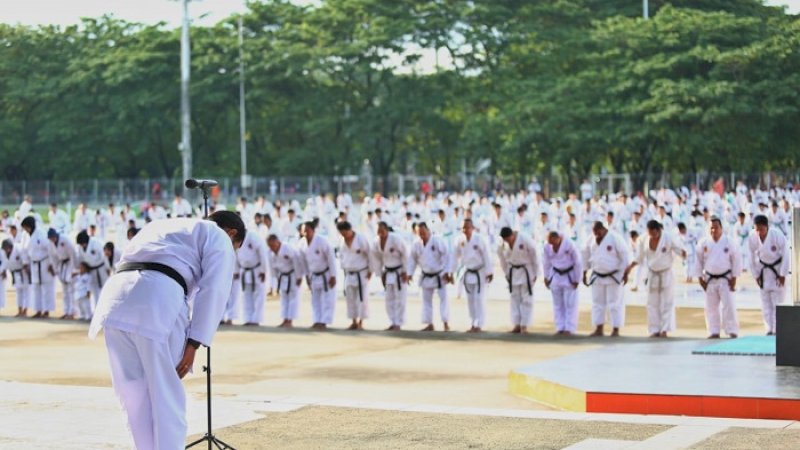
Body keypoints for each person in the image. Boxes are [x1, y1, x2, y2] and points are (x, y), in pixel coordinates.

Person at [88, 210, 244, 450]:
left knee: (133, 396)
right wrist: (194, 343)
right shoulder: (218, 236)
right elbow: (214, 289)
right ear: (231, 232)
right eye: (235, 247)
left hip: (116, 300)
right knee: (166, 396)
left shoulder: (162, 225)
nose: (231, 252)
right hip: (156, 299)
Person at [628, 220, 685, 338]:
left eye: (654, 234)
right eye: (650, 234)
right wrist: (629, 267)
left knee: (666, 303)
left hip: (666, 273)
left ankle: (664, 329)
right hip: (652, 273)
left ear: (658, 230)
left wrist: (683, 253)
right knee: (651, 303)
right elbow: (639, 257)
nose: (652, 236)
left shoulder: (669, 238)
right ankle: (654, 329)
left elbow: (680, 250)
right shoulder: (643, 239)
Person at [582, 221, 632, 337]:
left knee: (614, 303)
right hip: (597, 274)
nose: (596, 235)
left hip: (613, 275)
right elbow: (585, 255)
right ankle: (599, 328)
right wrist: (584, 272)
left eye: (598, 232)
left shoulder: (615, 238)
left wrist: (625, 273)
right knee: (597, 303)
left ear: (603, 229)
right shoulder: (590, 239)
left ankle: (615, 329)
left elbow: (624, 255)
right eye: (594, 232)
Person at [695, 217, 742, 339]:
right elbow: (698, 262)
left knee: (729, 306)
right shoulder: (703, 243)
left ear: (721, 228)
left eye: (716, 227)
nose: (713, 230)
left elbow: (736, 260)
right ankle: (713, 331)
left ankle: (732, 330)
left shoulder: (729, 242)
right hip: (709, 279)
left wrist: (734, 277)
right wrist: (700, 278)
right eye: (711, 228)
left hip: (726, 278)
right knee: (711, 308)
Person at [748, 215, 789, 335]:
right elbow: (751, 256)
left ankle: (778, 329)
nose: (759, 232)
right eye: (757, 229)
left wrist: (783, 274)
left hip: (777, 270)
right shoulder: (752, 237)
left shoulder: (777, 235)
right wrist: (755, 275)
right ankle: (768, 328)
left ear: (767, 227)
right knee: (765, 302)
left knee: (778, 302)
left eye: (761, 229)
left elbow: (786, 254)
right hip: (763, 272)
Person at [408, 222, 452, 331]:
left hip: (440, 274)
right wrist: (410, 273)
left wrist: (448, 271)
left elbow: (447, 255)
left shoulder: (437, 241)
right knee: (426, 301)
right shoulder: (416, 244)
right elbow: (412, 261)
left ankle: (445, 322)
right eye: (419, 233)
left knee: (443, 299)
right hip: (426, 274)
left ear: (428, 230)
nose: (422, 234)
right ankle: (429, 323)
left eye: (423, 232)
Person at [497, 227, 540, 334]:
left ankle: (524, 325)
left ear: (512, 235)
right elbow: (501, 259)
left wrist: (536, 272)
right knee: (514, 298)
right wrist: (506, 273)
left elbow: (535, 254)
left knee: (526, 298)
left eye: (508, 239)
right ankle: (516, 324)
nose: (507, 241)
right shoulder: (502, 244)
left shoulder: (524, 238)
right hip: (512, 271)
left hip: (526, 270)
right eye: (505, 240)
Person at [454, 219, 493, 332]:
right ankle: (472, 322)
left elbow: (487, 256)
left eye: (467, 227)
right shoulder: (459, 240)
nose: (465, 230)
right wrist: (450, 271)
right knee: (470, 300)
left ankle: (479, 324)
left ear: (472, 228)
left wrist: (489, 272)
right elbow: (454, 257)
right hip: (468, 272)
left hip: (480, 272)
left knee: (479, 299)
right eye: (463, 228)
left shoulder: (480, 239)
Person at [371, 221, 409, 331]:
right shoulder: (376, 242)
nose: (380, 233)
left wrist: (406, 271)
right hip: (387, 272)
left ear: (387, 230)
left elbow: (405, 254)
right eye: (379, 231)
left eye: (382, 230)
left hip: (399, 272)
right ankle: (393, 321)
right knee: (389, 299)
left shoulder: (396, 239)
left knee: (400, 298)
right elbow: (376, 258)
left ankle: (399, 323)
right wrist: (380, 273)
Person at [543, 231, 582, 335]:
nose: (552, 245)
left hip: (569, 275)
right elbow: (546, 262)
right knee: (557, 304)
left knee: (570, 304)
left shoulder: (569, 245)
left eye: (553, 242)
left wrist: (577, 279)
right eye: (549, 242)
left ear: (558, 238)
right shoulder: (547, 246)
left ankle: (570, 328)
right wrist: (546, 277)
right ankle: (560, 327)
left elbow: (578, 262)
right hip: (556, 275)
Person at [300, 221, 337, 329]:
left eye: (307, 230)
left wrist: (333, 275)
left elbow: (331, 258)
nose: (306, 233)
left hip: (326, 274)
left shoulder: (322, 241)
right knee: (315, 300)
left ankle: (324, 321)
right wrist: (307, 277)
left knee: (327, 299)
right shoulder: (301, 244)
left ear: (313, 230)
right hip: (313, 275)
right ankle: (317, 319)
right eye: (304, 231)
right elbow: (303, 262)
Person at [337, 221, 372, 330]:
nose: (344, 235)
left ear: (350, 230)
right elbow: (342, 257)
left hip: (361, 272)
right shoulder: (341, 241)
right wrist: (344, 271)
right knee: (350, 299)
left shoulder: (361, 239)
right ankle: (354, 321)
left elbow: (369, 254)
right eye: (341, 233)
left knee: (362, 298)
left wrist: (370, 270)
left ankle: (361, 322)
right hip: (349, 272)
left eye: (345, 233)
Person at [21, 216, 56, 319]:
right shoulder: (26, 236)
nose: (25, 230)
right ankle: (38, 310)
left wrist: (51, 264)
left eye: (26, 227)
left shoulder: (41, 233)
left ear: (30, 226)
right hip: (34, 264)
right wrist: (25, 263)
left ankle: (46, 310)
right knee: (36, 288)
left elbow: (50, 249)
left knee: (46, 287)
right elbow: (25, 250)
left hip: (45, 263)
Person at [267, 234, 305, 328]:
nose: (272, 248)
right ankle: (284, 319)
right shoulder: (270, 252)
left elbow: (297, 262)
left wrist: (299, 277)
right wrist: (275, 280)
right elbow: (272, 268)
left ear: (278, 242)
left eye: (273, 245)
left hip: (293, 276)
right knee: (284, 299)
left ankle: (290, 320)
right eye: (270, 246)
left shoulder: (288, 248)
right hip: (282, 277)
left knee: (293, 299)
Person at [235, 229, 270, 326]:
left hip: (257, 270)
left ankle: (256, 319)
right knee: (246, 296)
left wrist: (264, 271)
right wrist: (236, 270)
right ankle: (248, 318)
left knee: (259, 296)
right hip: (244, 270)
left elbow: (262, 253)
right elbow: (235, 254)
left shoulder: (252, 236)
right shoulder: (236, 237)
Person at [76, 230, 109, 312]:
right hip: (91, 270)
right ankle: (97, 311)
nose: (81, 245)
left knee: (104, 289)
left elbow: (105, 256)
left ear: (85, 241)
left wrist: (107, 268)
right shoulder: (81, 247)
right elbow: (81, 258)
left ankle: (106, 310)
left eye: (81, 243)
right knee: (94, 291)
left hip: (102, 269)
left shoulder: (96, 243)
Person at [48, 228, 78, 320]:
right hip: (62, 266)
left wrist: (74, 269)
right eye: (50, 238)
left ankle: (72, 312)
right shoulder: (51, 244)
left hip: (70, 264)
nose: (52, 239)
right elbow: (53, 257)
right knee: (65, 291)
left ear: (56, 235)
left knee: (71, 290)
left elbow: (73, 254)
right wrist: (55, 269)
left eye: (53, 237)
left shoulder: (65, 240)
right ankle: (66, 311)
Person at [3, 239, 29, 317]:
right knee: (18, 293)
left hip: (23, 272)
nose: (6, 250)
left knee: (25, 292)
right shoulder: (5, 254)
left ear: (10, 246)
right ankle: (20, 310)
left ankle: (25, 311)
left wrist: (25, 266)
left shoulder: (18, 248)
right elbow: (6, 263)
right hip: (15, 273)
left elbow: (25, 258)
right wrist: (4, 271)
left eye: (6, 248)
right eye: (4, 248)